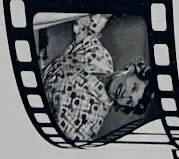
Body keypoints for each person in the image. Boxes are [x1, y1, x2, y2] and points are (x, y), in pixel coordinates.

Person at [42, 16, 155, 144]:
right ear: (131, 71)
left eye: (129, 101)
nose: (125, 94)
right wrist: (104, 15)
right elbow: (85, 30)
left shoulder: (90, 123)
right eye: (134, 87)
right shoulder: (102, 58)